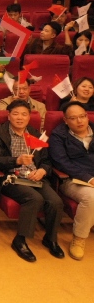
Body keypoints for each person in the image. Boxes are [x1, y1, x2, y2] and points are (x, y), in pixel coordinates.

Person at [0, 100, 64, 262]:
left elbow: (47, 160)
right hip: (12, 178)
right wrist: (16, 161)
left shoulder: (36, 134)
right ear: (9, 116)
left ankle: (50, 238)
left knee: (56, 201)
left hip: (35, 177)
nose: (20, 118)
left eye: (24, 114)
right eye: (15, 114)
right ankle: (20, 240)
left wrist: (42, 171)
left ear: (29, 117)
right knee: (34, 198)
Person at [49, 102, 94, 260]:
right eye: (73, 118)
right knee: (91, 197)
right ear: (66, 120)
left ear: (87, 116)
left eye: (82, 116)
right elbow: (61, 162)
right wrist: (89, 178)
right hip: (72, 180)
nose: (79, 121)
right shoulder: (59, 135)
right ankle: (79, 238)